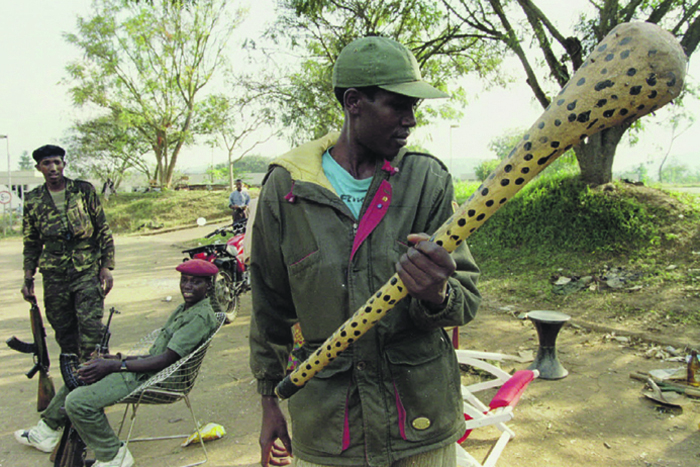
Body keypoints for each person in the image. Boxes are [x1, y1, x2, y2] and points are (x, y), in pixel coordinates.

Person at [249, 36, 481, 467]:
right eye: (398, 105)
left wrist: (436, 294)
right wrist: (269, 402)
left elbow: (464, 301)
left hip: (419, 421)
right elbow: (269, 306)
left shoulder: (426, 180)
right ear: (354, 102)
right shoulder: (286, 189)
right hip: (331, 430)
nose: (411, 120)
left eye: (415, 107)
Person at [14, 259, 220, 467]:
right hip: (149, 372)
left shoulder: (198, 317)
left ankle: (114, 455)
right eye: (184, 280)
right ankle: (47, 430)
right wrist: (116, 360)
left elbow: (165, 360)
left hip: (160, 380)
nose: (187, 286)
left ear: (208, 285)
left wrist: (116, 366)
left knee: (77, 402)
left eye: (195, 282)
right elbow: (157, 356)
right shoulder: (185, 309)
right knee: (84, 372)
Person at [22, 145, 115, 361]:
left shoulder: (83, 190)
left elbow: (102, 229)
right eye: (47, 163)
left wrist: (106, 267)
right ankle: (74, 379)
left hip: (86, 270)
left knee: (91, 327)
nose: (53, 167)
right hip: (54, 276)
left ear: (64, 164)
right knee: (64, 332)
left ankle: (98, 375)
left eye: (57, 162)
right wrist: (28, 277)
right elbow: (31, 242)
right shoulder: (33, 199)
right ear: (39, 168)